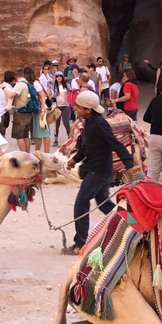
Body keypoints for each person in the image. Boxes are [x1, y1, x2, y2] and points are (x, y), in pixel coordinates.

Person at [63, 92, 137, 255]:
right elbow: (86, 146)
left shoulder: (98, 123)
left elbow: (115, 143)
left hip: (98, 171)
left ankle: (80, 244)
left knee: (81, 204)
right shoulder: (89, 122)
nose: (75, 108)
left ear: (88, 109)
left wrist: (129, 164)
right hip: (99, 169)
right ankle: (132, 225)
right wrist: (75, 159)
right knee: (103, 203)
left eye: (78, 106)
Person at [25, 66, 51, 153]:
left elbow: (43, 96)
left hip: (41, 110)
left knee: (44, 132)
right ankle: (37, 151)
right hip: (38, 110)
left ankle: (46, 153)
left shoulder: (35, 83)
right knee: (38, 133)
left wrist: (43, 111)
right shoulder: (33, 83)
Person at [11, 68, 34, 152]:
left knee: (19, 136)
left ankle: (23, 155)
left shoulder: (20, 84)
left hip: (20, 113)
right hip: (28, 112)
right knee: (25, 135)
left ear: (15, 76)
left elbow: (11, 95)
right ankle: (27, 154)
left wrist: (3, 88)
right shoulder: (27, 83)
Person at [51, 72, 71, 146]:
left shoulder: (67, 85)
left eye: (60, 76)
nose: (59, 77)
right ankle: (56, 140)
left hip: (65, 106)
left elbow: (71, 93)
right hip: (57, 106)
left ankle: (70, 138)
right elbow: (52, 96)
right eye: (57, 76)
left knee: (66, 123)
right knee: (57, 124)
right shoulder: (53, 86)